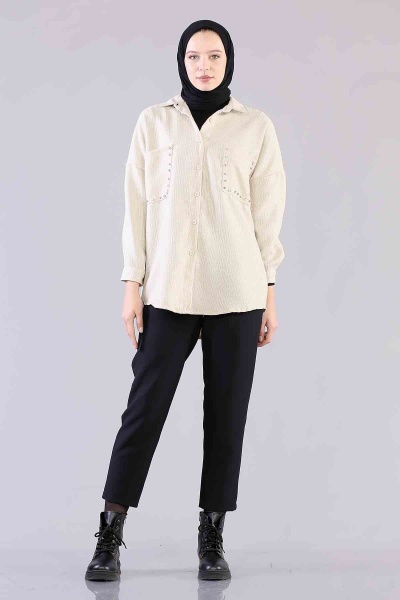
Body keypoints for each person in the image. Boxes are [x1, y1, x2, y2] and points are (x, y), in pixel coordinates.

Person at [85, 19, 286, 582]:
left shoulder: (255, 127)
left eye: (214, 55)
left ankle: (212, 536)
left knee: (226, 415)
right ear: (181, 61)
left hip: (237, 291)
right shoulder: (154, 122)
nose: (204, 65)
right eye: (194, 55)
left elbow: (267, 215)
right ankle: (109, 533)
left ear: (229, 61)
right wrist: (132, 283)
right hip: (167, 290)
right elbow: (136, 207)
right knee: (143, 411)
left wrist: (269, 292)